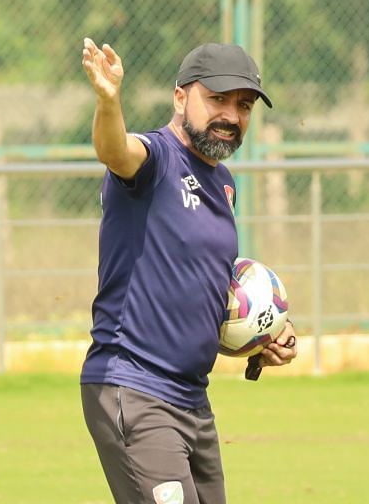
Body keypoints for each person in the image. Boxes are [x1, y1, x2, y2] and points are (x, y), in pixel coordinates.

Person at [78, 38, 298, 504]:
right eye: (217, 99)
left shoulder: (223, 184)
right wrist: (108, 100)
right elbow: (116, 150)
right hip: (135, 387)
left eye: (244, 106)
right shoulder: (155, 160)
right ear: (180, 97)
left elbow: (209, 286)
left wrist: (265, 333)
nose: (232, 116)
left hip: (192, 402)